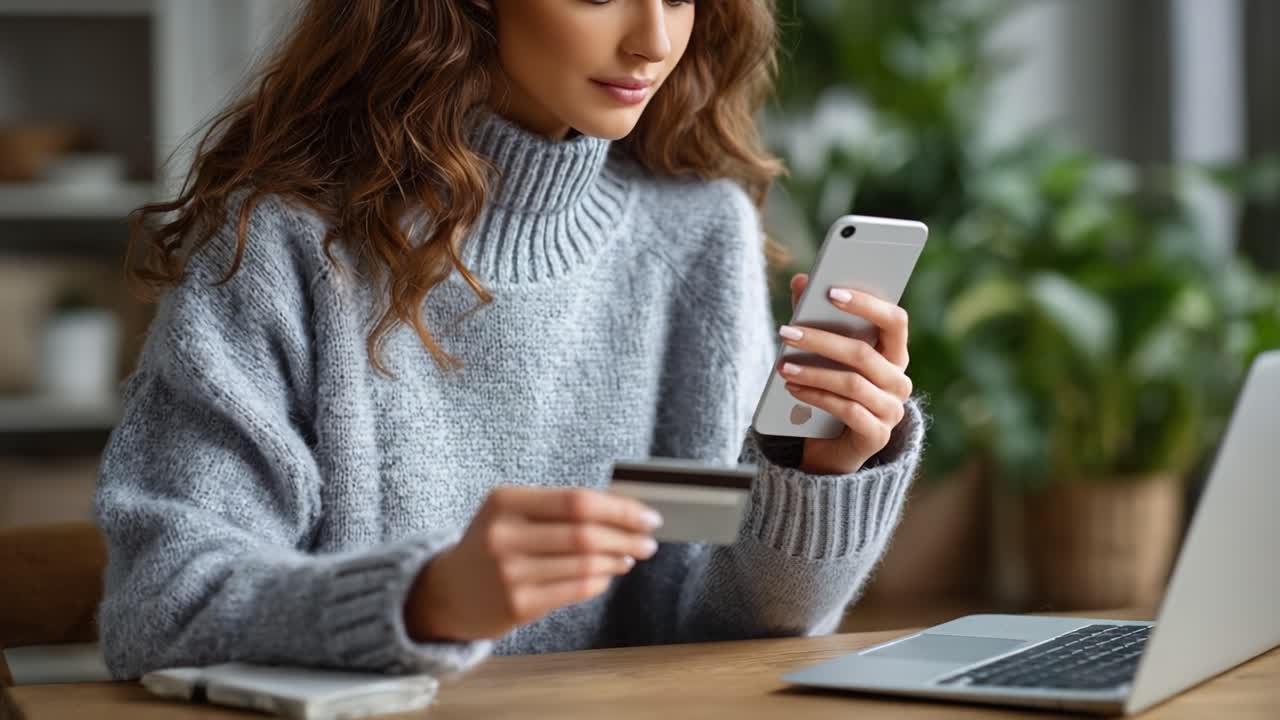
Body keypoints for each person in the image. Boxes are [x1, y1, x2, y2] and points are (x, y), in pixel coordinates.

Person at [95, 0, 925, 680]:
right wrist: (422, 600)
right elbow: (160, 604)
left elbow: (728, 631)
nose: (655, 40)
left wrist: (819, 477)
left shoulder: (701, 233)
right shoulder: (285, 247)